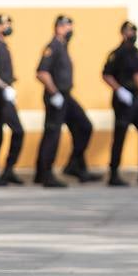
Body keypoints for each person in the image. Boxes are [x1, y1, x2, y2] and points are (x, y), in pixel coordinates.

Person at [35, 15, 98, 187]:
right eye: (67, 27)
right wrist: (54, 92)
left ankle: (75, 165)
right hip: (56, 96)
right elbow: (42, 72)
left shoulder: (63, 47)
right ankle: (45, 174)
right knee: (52, 134)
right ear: (58, 28)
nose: (70, 30)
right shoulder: (52, 47)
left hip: (66, 96)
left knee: (84, 127)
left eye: (71, 27)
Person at [102, 20, 138, 187]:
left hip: (135, 98)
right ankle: (113, 173)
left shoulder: (137, 52)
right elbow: (106, 74)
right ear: (123, 33)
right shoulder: (117, 53)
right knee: (120, 136)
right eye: (130, 32)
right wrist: (119, 90)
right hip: (122, 99)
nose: (133, 35)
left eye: (134, 31)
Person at [0, 14, 25, 186]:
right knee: (12, 132)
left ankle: (3, 171)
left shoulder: (4, 46)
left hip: (5, 94)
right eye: (5, 23)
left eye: (9, 23)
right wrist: (4, 87)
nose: (8, 26)